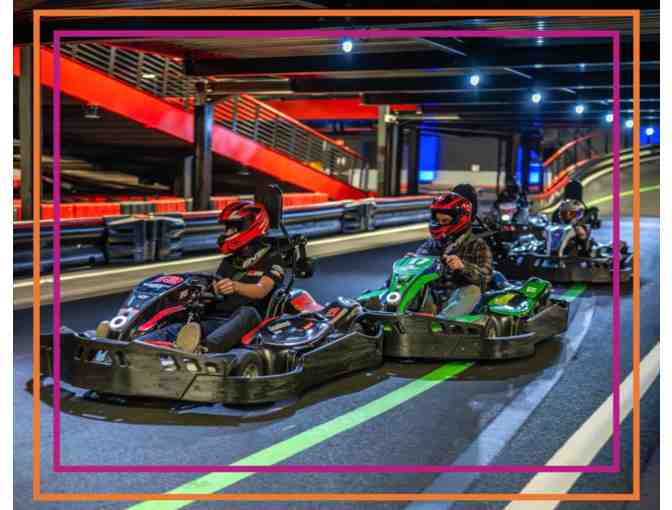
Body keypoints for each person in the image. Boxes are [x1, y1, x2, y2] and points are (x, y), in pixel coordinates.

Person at [136, 200, 285, 353]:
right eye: (227, 228)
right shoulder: (230, 261)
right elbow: (215, 287)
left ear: (250, 227)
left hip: (249, 324)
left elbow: (261, 289)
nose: (227, 233)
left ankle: (204, 350)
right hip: (217, 321)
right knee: (179, 318)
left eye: (232, 228)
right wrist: (200, 294)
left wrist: (235, 286)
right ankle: (138, 344)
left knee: (248, 312)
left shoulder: (272, 258)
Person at [411, 191, 493, 318]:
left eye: (445, 220)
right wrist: (411, 265)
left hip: (457, 300)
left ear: (459, 220)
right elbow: (417, 267)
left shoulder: (477, 245)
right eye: (437, 220)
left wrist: (463, 267)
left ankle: (442, 322)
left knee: (473, 290)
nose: (440, 224)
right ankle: (386, 310)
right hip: (432, 301)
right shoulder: (431, 244)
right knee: (411, 285)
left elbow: (486, 277)